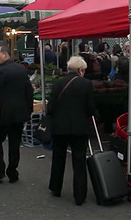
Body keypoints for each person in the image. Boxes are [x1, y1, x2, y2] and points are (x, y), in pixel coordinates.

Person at [48, 56, 96, 206]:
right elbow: (91, 108)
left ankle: (56, 187)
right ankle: (79, 195)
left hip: (59, 127)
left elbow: (50, 107)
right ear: (81, 70)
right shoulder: (86, 84)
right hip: (79, 127)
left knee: (58, 157)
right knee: (79, 160)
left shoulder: (58, 83)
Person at [0, 46, 33, 184]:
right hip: (19, 113)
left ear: (5, 54)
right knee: (15, 144)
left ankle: (0, 171)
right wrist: (28, 110)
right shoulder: (21, 69)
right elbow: (29, 91)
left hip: (2, 113)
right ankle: (12, 171)